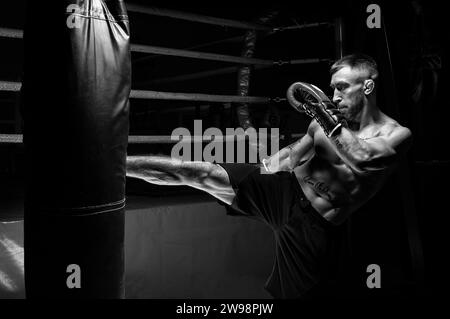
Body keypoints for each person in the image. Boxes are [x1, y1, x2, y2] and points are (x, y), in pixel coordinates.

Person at [126, 54, 412, 299]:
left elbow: (364, 159)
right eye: (332, 89)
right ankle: (111, 165)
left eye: (342, 88)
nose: (335, 96)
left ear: (368, 86)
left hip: (314, 226)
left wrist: (328, 120)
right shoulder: (321, 121)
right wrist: (261, 168)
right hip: (282, 191)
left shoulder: (395, 134)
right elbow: (291, 156)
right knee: (198, 172)